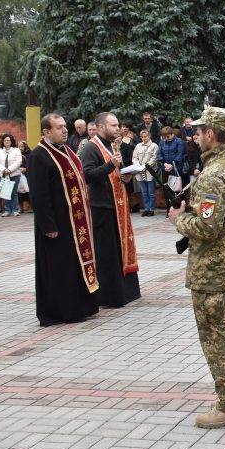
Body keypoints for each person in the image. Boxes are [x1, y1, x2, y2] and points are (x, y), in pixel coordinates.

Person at [169, 107, 225, 428]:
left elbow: (207, 227)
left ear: (210, 134)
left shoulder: (213, 175)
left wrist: (180, 219)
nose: (195, 136)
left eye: (199, 131)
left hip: (212, 272)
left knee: (218, 338)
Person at [29, 114, 100, 325]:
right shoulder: (39, 156)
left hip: (76, 223)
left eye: (65, 127)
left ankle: (81, 307)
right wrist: (48, 225)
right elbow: (38, 195)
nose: (64, 130)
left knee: (75, 265)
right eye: (59, 127)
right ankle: (61, 311)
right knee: (59, 268)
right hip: (56, 225)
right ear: (46, 132)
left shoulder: (67, 151)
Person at [80, 113, 141, 308]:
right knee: (107, 254)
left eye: (118, 125)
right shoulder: (90, 147)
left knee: (119, 250)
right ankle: (109, 296)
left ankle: (126, 292)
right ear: (100, 127)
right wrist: (110, 165)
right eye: (113, 125)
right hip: (102, 208)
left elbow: (116, 172)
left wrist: (126, 176)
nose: (118, 129)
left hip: (118, 206)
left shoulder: (112, 145)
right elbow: (87, 175)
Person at [0, 133, 23, 217]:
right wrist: (4, 170)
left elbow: (18, 161)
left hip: (14, 174)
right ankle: (7, 210)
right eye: (5, 140)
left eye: (8, 140)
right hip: (3, 174)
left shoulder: (16, 150)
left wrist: (9, 170)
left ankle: (15, 210)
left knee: (13, 192)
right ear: (2, 142)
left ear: (11, 141)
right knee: (5, 192)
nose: (7, 142)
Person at [133, 129, 159, 216]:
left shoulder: (154, 146)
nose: (144, 138)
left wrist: (145, 166)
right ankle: (146, 208)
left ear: (149, 136)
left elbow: (154, 158)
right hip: (140, 172)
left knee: (151, 192)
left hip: (149, 171)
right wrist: (138, 166)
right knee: (144, 192)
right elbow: (134, 157)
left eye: (146, 136)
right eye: (142, 137)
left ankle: (151, 209)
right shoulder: (138, 146)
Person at [157, 126, 186, 192]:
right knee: (166, 188)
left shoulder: (179, 141)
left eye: (168, 136)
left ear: (172, 134)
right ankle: (168, 202)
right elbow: (159, 154)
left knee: (176, 188)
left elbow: (179, 155)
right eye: (164, 137)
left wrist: (171, 165)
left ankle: (179, 201)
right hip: (165, 168)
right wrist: (165, 164)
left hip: (176, 168)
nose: (166, 138)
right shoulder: (162, 142)